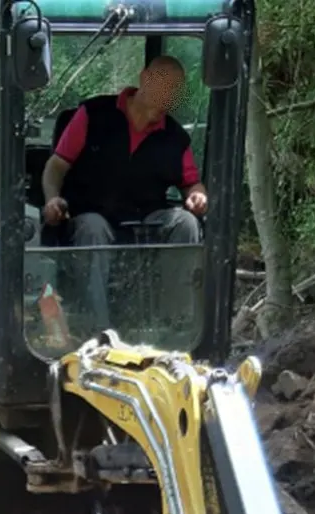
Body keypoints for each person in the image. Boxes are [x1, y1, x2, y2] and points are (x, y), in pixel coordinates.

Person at [39, 55, 206, 332]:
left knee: (186, 223)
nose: (168, 94)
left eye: (174, 89)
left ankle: (171, 328)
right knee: (93, 228)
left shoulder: (175, 137)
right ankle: (100, 332)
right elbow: (55, 167)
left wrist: (197, 195)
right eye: (163, 84)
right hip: (89, 220)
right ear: (144, 79)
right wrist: (51, 199)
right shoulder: (93, 114)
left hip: (145, 224)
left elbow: (192, 183)